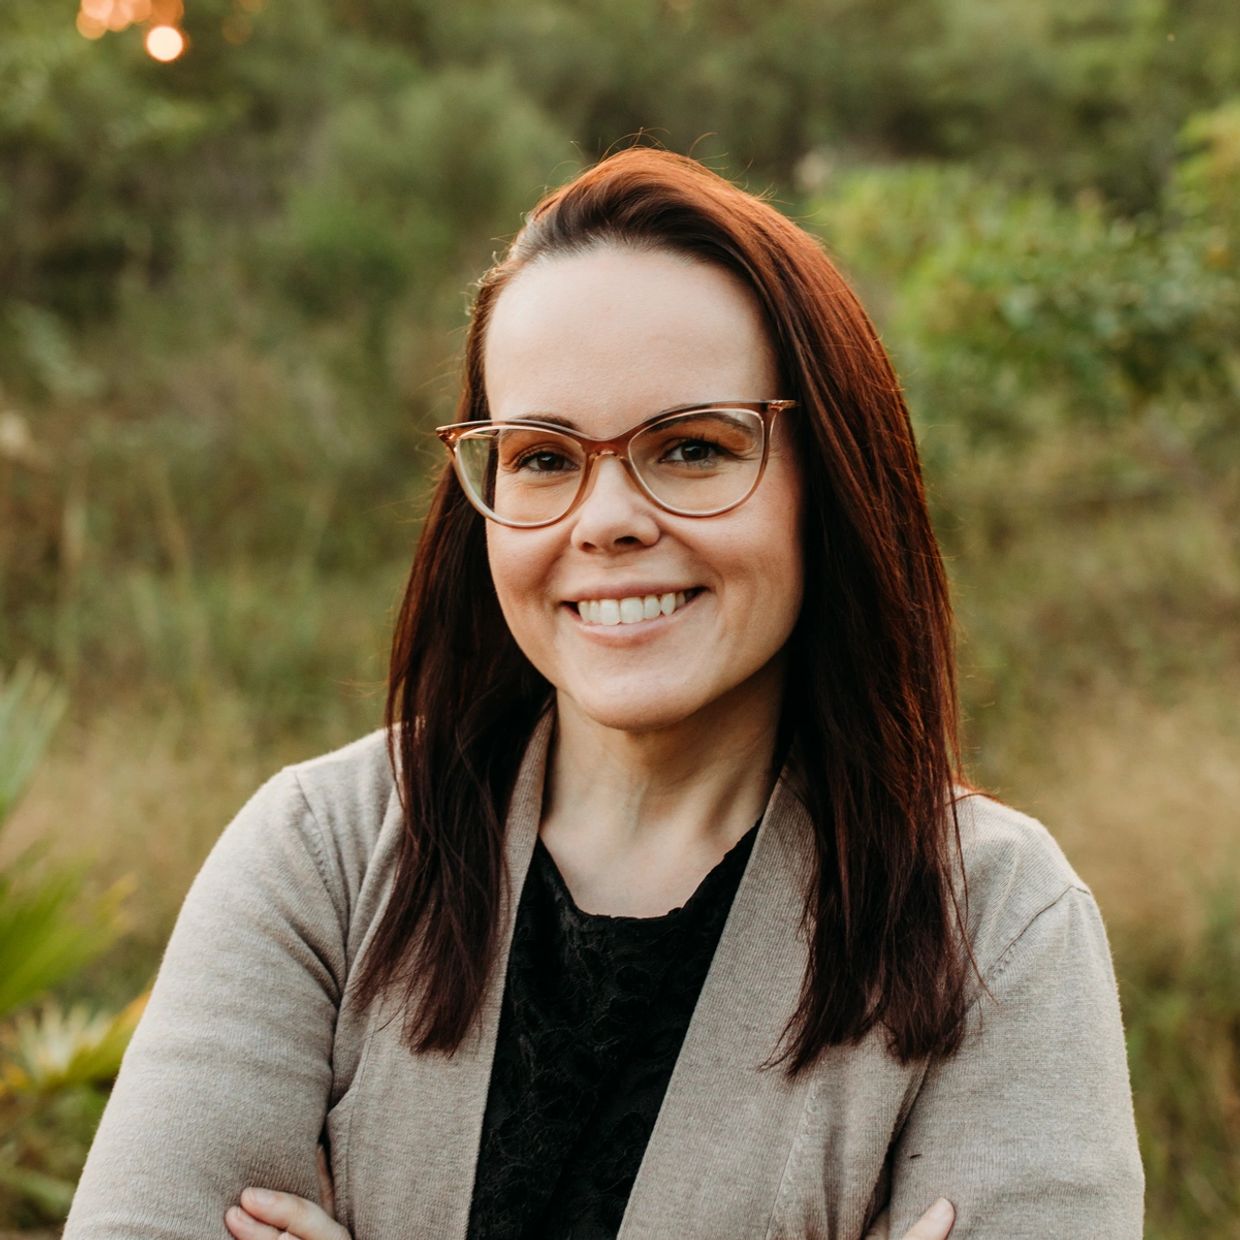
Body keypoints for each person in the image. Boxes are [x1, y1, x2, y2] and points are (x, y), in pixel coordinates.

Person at [64, 148, 1144, 1240]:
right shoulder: (324, 857)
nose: (606, 518)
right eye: (540, 456)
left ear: (831, 476)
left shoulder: (994, 928)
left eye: (690, 447)